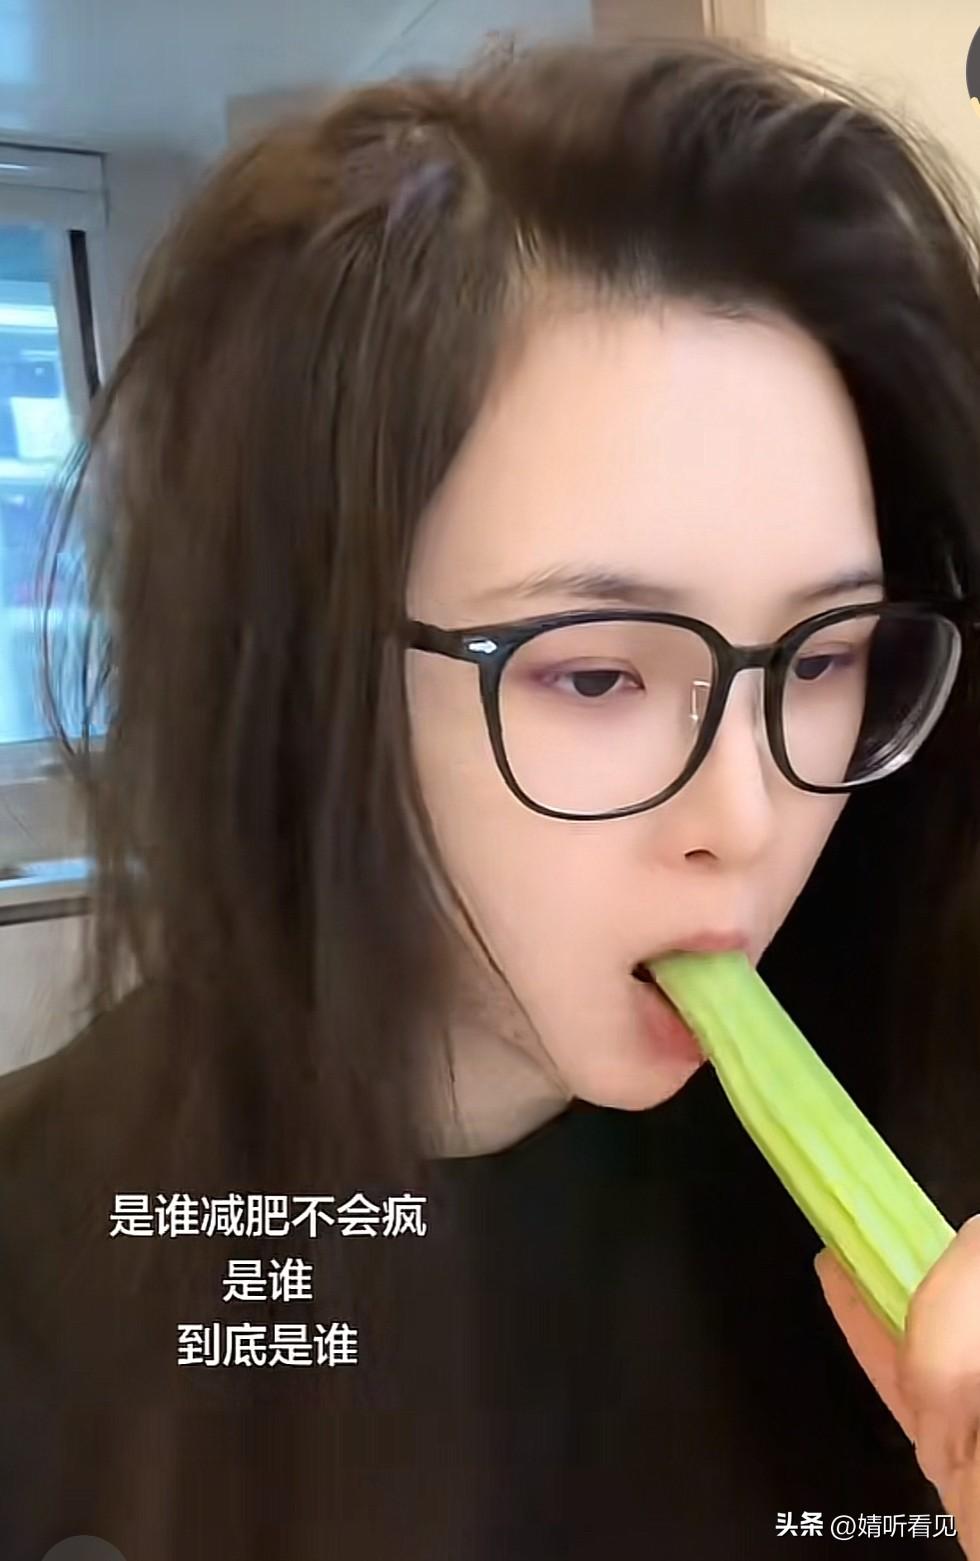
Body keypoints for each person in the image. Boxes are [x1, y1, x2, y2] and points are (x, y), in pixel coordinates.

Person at [1, 34, 980, 1561]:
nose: (748, 813)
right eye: (593, 675)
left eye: (825, 657)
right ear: (317, 663)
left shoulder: (940, 1153)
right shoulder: (45, 1274)